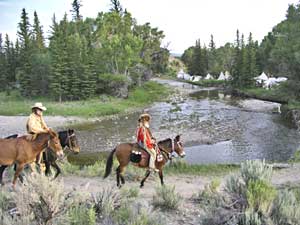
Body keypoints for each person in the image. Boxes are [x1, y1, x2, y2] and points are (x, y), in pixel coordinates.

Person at [26, 102, 50, 171]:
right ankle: (32, 161)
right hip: (33, 134)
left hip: (40, 134)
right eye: (40, 110)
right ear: (35, 110)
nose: (41, 111)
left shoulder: (40, 117)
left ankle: (40, 161)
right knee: (35, 147)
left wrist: (48, 130)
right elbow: (32, 128)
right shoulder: (32, 117)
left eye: (41, 110)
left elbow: (44, 125)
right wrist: (43, 131)